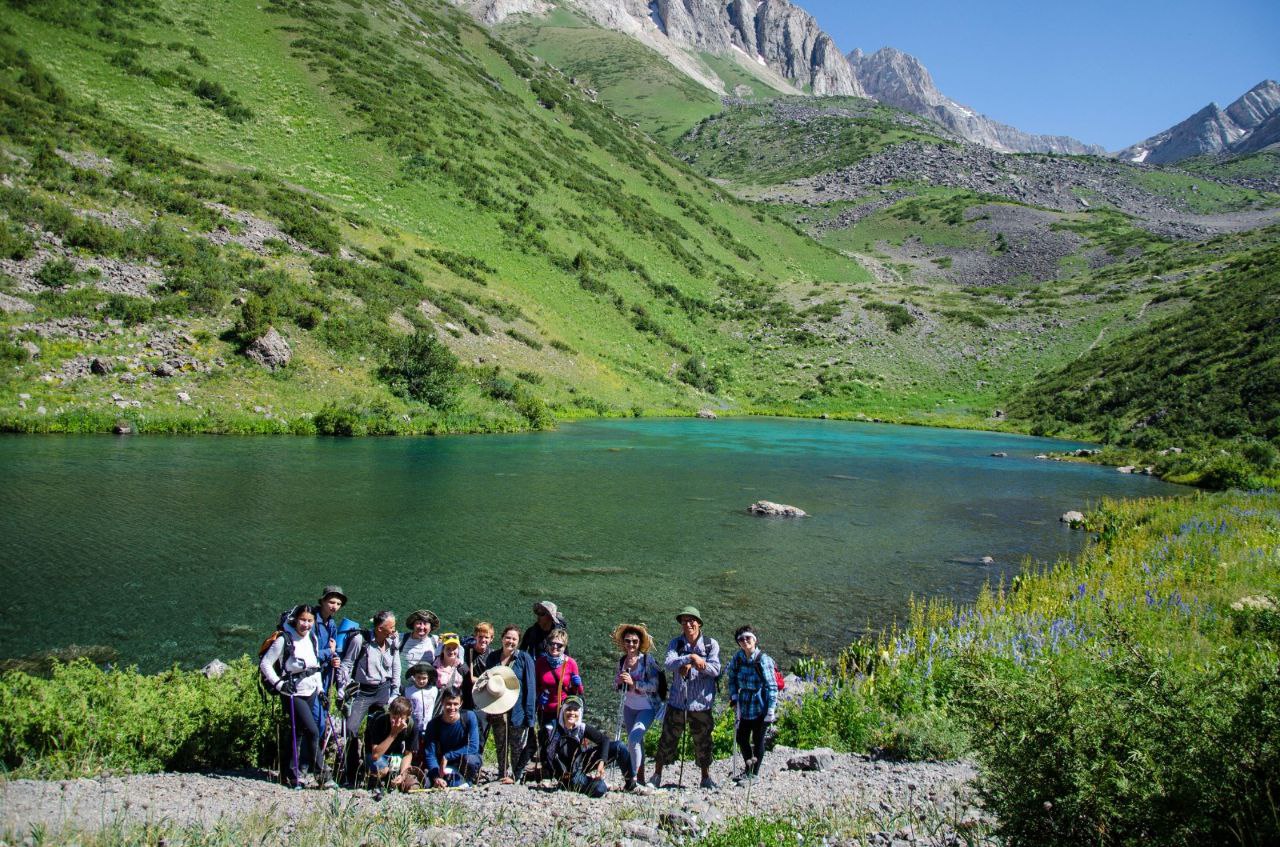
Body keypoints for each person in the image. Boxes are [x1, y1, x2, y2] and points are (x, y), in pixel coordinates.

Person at [651, 606, 721, 790]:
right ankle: (657, 775)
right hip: (677, 702)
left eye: (691, 621)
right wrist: (689, 658)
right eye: (684, 621)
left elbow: (716, 669)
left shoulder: (710, 644)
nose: (688, 624)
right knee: (667, 739)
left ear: (699, 623)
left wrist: (699, 663)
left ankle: (705, 777)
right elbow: (668, 663)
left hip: (701, 704)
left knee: (703, 741)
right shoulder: (676, 643)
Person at [260, 604, 328, 788]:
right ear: (295, 620)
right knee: (313, 731)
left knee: (297, 732)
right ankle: (324, 775)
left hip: (311, 689)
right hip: (292, 692)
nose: (306, 624)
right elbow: (266, 664)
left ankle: (290, 774)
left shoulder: (312, 638)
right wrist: (279, 684)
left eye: (310, 621)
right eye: (303, 620)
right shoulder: (285, 639)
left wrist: (321, 690)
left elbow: (315, 667)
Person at [337, 610, 401, 786]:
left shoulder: (392, 641)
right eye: (392, 627)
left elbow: (396, 665)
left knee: (375, 732)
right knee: (351, 729)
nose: (395, 630)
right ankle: (350, 771)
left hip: (383, 690)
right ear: (380, 628)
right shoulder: (361, 641)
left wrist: (395, 690)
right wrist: (342, 687)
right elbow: (347, 663)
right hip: (362, 692)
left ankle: (371, 772)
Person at [546, 697, 639, 797]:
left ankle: (631, 785)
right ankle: (568, 785)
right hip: (568, 774)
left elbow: (605, 740)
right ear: (562, 711)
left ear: (580, 712)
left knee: (619, 747)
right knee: (600, 788)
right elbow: (537, 747)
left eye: (575, 710)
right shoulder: (553, 729)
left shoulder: (580, 727)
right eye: (568, 709)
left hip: (580, 762)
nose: (572, 713)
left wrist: (601, 762)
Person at [483, 624, 537, 783]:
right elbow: (487, 682)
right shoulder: (493, 657)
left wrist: (530, 716)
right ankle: (501, 773)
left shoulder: (524, 659)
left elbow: (531, 687)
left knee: (517, 746)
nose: (510, 641)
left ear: (518, 641)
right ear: (502, 638)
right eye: (508, 638)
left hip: (517, 711)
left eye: (514, 639)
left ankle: (516, 776)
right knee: (500, 744)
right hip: (497, 709)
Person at [726, 625, 778, 782]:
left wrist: (771, 709)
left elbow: (771, 685)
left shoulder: (764, 660)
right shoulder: (738, 658)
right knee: (742, 738)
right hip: (744, 704)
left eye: (747, 638)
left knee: (758, 739)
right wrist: (734, 696)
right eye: (741, 639)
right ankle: (748, 769)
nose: (744, 641)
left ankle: (754, 774)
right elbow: (732, 677)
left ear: (754, 639)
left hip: (760, 704)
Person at [612, 623, 661, 788]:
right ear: (623, 643)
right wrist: (619, 682)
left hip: (646, 707)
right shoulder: (622, 661)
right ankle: (639, 778)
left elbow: (654, 685)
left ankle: (632, 778)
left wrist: (634, 683)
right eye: (627, 641)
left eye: (634, 641)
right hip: (629, 706)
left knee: (633, 739)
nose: (631, 644)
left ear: (640, 643)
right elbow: (616, 685)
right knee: (636, 742)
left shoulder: (648, 660)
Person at [534, 627, 583, 769]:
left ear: (564, 647)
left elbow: (578, 692)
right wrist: (538, 697)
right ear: (547, 644)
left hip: (564, 710)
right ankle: (547, 768)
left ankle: (563, 769)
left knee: (562, 739)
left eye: (559, 645)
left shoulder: (571, 663)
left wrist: (577, 684)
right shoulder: (540, 663)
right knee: (546, 738)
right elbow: (536, 685)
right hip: (545, 708)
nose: (555, 647)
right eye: (552, 643)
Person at [422, 691, 482, 787]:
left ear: (461, 703)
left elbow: (473, 747)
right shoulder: (433, 724)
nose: (452, 708)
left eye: (455, 704)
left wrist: (448, 756)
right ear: (442, 702)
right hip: (442, 764)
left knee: (471, 760)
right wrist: (437, 776)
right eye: (448, 704)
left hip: (463, 760)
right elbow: (430, 754)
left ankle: (468, 780)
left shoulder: (469, 717)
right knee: (428, 782)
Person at [363, 695, 417, 790]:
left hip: (395, 755)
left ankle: (393, 779)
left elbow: (408, 754)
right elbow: (375, 755)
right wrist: (394, 733)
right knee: (381, 767)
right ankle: (376, 779)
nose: (397, 721)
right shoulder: (380, 721)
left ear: (408, 717)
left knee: (406, 777)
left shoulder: (412, 726)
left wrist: (402, 774)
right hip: (376, 754)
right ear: (389, 713)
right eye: (394, 717)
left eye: (401, 718)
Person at [463, 622, 495, 755]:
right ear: (475, 636)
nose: (483, 640)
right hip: (466, 697)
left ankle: (477, 760)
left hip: (483, 699)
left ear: (491, 639)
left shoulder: (493, 655)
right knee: (465, 730)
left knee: (481, 731)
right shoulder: (466, 651)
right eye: (480, 636)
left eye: (486, 637)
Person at [314, 585, 347, 698]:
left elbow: (333, 649)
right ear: (322, 601)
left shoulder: (331, 623)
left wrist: (335, 658)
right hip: (310, 676)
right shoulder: (311, 622)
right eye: (332, 602)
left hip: (324, 673)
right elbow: (309, 655)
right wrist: (330, 651)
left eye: (339, 604)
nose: (335, 607)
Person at [404, 661, 438, 752]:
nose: (421, 681)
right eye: (418, 678)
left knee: (427, 749)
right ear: (414, 677)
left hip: (429, 726)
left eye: (424, 678)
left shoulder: (434, 690)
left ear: (429, 678)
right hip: (414, 726)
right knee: (414, 749)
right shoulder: (408, 691)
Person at [401, 609, 441, 680]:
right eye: (419, 623)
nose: (422, 627)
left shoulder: (436, 640)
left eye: (425, 624)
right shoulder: (401, 639)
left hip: (427, 688)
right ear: (413, 625)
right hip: (403, 688)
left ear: (430, 627)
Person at [434, 632, 469, 704]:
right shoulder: (434, 667)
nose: (451, 651)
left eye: (454, 648)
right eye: (448, 648)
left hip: (455, 706)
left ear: (458, 650)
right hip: (438, 705)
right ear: (442, 650)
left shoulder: (463, 668)